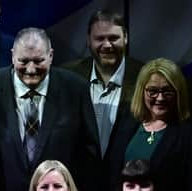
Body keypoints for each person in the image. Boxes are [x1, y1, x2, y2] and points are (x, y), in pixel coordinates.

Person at [0, 27, 99, 191]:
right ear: (12, 56)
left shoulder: (76, 89)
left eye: (38, 61)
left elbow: (89, 156)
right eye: (23, 61)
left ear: (51, 56)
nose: (30, 69)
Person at [108, 58, 192, 191]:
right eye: (152, 91)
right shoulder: (125, 124)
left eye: (167, 91)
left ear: (178, 92)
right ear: (142, 91)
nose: (160, 98)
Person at [62, 10, 144, 178]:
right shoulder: (66, 76)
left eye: (113, 38)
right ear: (88, 41)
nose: (107, 45)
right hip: (79, 181)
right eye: (99, 39)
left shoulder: (144, 77)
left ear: (126, 38)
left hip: (128, 181)